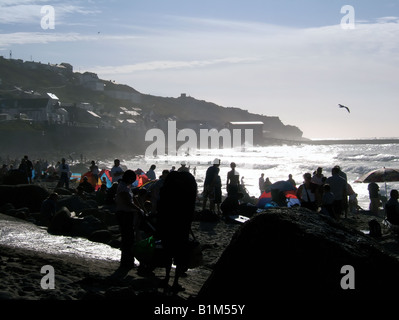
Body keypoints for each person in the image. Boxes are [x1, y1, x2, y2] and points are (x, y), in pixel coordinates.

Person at [156, 171, 198, 293]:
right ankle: (175, 282)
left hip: (168, 225)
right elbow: (191, 210)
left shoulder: (167, 190)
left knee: (168, 253)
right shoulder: (187, 191)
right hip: (181, 227)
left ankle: (167, 277)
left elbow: (161, 206)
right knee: (180, 254)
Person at [114, 170, 142, 276]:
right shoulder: (123, 188)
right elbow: (127, 202)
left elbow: (132, 199)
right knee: (128, 238)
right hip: (124, 214)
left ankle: (127, 261)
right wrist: (139, 209)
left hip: (125, 214)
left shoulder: (125, 186)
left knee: (128, 238)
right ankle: (127, 262)